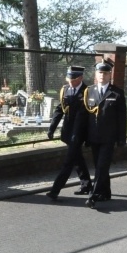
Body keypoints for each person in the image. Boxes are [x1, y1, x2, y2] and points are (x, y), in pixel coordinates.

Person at [83, 61, 127, 208]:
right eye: (100, 73)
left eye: (105, 73)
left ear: (110, 75)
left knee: (102, 167)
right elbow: (86, 117)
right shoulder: (89, 91)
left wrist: (122, 139)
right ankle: (106, 192)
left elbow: (122, 118)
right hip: (94, 137)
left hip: (109, 138)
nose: (102, 75)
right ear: (96, 74)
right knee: (99, 166)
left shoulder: (117, 93)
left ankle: (93, 195)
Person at [46, 66, 92, 199]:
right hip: (68, 131)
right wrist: (52, 128)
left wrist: (86, 135)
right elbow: (59, 109)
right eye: (69, 78)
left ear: (81, 78)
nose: (70, 81)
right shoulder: (65, 90)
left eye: (74, 79)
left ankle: (55, 190)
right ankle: (87, 185)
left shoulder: (88, 91)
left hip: (80, 133)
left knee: (68, 162)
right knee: (77, 159)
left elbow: (88, 115)